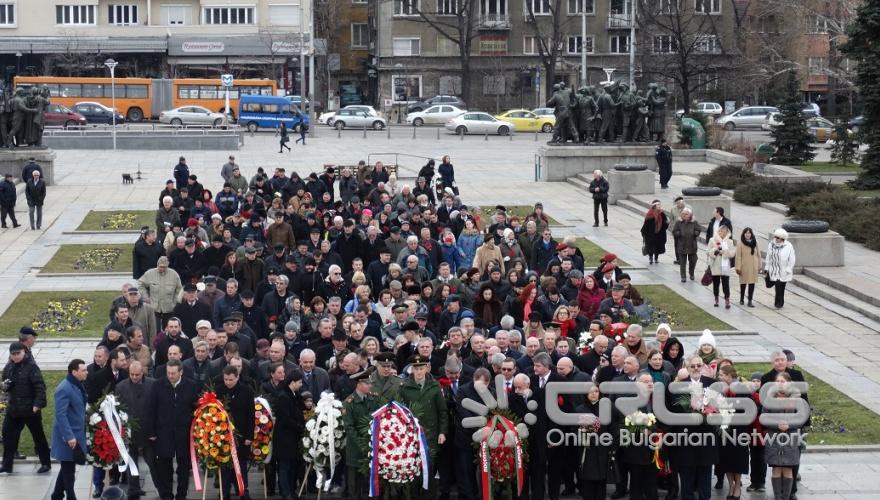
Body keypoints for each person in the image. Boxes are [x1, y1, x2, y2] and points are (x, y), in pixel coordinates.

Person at [144, 359, 199, 500]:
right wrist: (151, 432)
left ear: (181, 372)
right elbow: (150, 409)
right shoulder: (158, 385)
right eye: (168, 373)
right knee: (164, 466)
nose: (170, 376)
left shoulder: (192, 386)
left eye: (173, 373)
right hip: (163, 433)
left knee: (184, 467)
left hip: (184, 434)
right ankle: (167, 495)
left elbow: (197, 410)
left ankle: (182, 495)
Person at [0, 341, 51, 474]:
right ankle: (7, 464)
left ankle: (46, 463)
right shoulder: (9, 367)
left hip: (30, 409)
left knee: (38, 436)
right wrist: (5, 385)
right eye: (13, 354)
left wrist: (37, 404)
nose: (16, 356)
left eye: (18, 353)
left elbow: (40, 387)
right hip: (14, 409)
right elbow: (5, 383)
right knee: (7, 435)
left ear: (24, 352)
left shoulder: (32, 367)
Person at [114, 360, 155, 499]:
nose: (134, 377)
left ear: (142, 372)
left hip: (148, 431)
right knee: (131, 461)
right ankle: (133, 489)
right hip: (129, 432)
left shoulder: (152, 384)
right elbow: (117, 409)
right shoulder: (121, 386)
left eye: (137, 374)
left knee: (153, 462)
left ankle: (161, 489)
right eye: (132, 374)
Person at [50, 359, 88, 500]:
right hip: (67, 437)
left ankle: (57, 495)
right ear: (74, 372)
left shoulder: (76, 385)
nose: (86, 372)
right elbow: (61, 415)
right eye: (83, 370)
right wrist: (69, 437)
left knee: (67, 466)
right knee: (68, 471)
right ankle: (71, 497)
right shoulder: (64, 388)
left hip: (75, 434)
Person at [216, 365, 255, 499]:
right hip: (223, 435)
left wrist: (249, 436)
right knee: (225, 465)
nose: (228, 382)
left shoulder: (247, 391)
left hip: (242, 434)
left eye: (231, 379)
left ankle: (243, 490)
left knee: (241, 465)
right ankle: (224, 492)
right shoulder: (219, 390)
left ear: (237, 377)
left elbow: (251, 414)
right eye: (226, 379)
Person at [342, 367, 380, 500]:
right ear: (359, 384)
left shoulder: (373, 399)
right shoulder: (349, 403)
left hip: (372, 447)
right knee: (355, 486)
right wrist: (362, 445)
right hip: (355, 449)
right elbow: (349, 428)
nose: (370, 386)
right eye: (367, 383)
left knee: (371, 485)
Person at [765, 372, 803, 500]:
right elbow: (764, 417)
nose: (780, 384)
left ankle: (786, 497)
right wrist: (776, 425)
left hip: (790, 439)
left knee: (787, 468)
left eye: (783, 381)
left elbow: (801, 418)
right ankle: (777, 497)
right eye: (778, 381)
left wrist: (789, 425)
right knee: (776, 468)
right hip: (774, 439)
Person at [273, 370, 306, 500]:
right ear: (292, 382)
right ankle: (285, 492)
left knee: (293, 466)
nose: (301, 384)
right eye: (299, 382)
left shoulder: (293, 394)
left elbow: (302, 407)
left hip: (293, 437)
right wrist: (300, 427)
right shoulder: (283, 396)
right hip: (284, 438)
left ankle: (291, 491)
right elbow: (286, 419)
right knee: (284, 466)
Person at [765, 228, 796, 309]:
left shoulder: (788, 246)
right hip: (773, 270)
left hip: (783, 271)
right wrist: (767, 267)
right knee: (769, 284)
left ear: (782, 238)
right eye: (775, 237)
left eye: (778, 238)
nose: (776, 239)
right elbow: (768, 256)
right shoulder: (771, 244)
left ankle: (779, 303)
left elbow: (792, 259)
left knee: (780, 287)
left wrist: (789, 268)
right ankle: (779, 301)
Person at [707, 224, 736, 308]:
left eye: (723, 231)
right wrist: (715, 250)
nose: (721, 233)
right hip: (715, 264)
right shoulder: (712, 240)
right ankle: (716, 298)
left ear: (727, 232)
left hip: (725, 266)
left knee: (725, 284)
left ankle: (727, 299)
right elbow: (708, 251)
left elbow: (732, 253)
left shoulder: (729, 242)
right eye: (719, 231)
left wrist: (724, 252)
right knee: (716, 283)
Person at [672, 208, 700, 282]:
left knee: (693, 261)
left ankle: (691, 273)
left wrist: (695, 233)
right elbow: (674, 231)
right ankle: (683, 276)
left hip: (692, 245)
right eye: (683, 214)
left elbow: (698, 229)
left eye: (686, 214)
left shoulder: (694, 222)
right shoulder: (678, 222)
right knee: (682, 263)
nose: (684, 215)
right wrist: (679, 234)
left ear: (690, 215)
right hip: (682, 245)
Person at [735, 227, 761, 307]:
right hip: (744, 266)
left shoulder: (755, 242)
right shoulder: (740, 243)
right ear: (744, 234)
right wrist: (738, 267)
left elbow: (759, 255)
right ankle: (742, 299)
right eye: (746, 233)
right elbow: (738, 256)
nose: (748, 234)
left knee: (752, 283)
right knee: (743, 283)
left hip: (753, 266)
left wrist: (760, 266)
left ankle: (750, 300)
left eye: (749, 233)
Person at [640, 199, 669, 264]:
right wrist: (644, 232)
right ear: (654, 206)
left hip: (659, 234)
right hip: (651, 234)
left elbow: (665, 223)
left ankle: (656, 258)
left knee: (658, 246)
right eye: (658, 205)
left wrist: (666, 224)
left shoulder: (662, 214)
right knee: (650, 246)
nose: (659, 206)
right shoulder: (650, 213)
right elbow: (646, 224)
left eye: (660, 204)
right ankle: (650, 257)